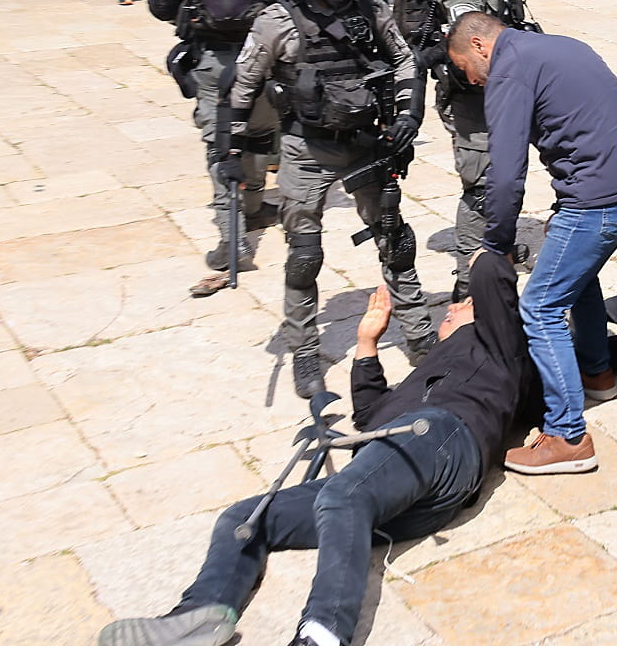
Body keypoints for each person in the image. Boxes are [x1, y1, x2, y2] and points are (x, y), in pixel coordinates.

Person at [95, 254, 534, 646]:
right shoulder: (433, 369)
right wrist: (366, 342)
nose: (453, 307)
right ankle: (200, 615)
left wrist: (482, 247)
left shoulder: (500, 348)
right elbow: (370, 415)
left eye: (465, 305)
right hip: (399, 476)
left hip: (444, 441)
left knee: (344, 495)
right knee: (247, 518)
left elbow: (493, 273)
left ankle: (323, 633)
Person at [227, 0, 435, 399]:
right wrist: (234, 150)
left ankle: (420, 332)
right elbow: (242, 86)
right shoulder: (278, 21)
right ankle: (303, 347)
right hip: (306, 150)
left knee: (395, 238)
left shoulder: (369, 4)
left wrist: (408, 113)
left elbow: (404, 60)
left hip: (367, 143)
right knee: (303, 254)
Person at [448, 11, 617, 474]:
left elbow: (505, 173)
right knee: (573, 274)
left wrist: (497, 241)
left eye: (465, 67)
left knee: (540, 306)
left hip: (604, 195)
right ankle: (597, 373)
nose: (470, 79)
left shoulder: (507, 69)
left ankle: (567, 436)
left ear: (480, 46)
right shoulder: (554, 45)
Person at [146, 0, 289, 294]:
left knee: (220, 146)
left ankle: (232, 240)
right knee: (261, 137)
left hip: (211, 63)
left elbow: (163, 3)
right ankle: (254, 204)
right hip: (263, 63)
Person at [409, 0, 540, 297]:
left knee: (505, 176)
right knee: (482, 184)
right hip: (470, 99)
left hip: (497, 95)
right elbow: (470, 36)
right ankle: (469, 275)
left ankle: (495, 248)